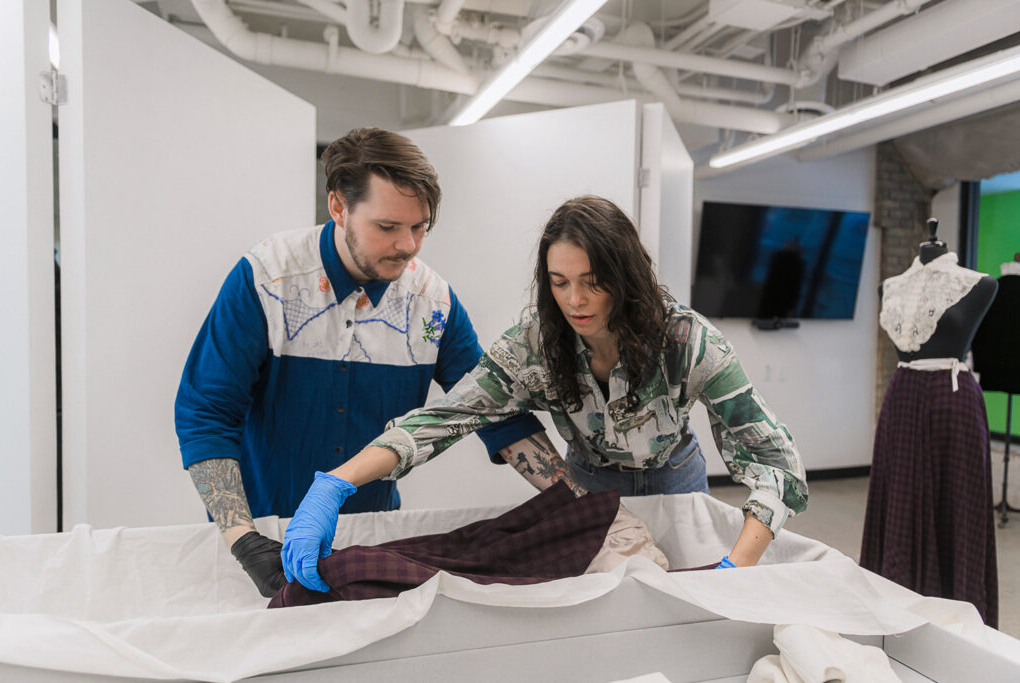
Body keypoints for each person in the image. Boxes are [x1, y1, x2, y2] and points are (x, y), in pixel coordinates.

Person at [281, 195, 809, 593]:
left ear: (626, 278)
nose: (574, 300)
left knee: (681, 601)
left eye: (592, 281)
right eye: (559, 282)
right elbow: (445, 417)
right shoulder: (536, 344)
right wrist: (335, 484)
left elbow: (776, 463)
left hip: (677, 477)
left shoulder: (687, 342)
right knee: (599, 607)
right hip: (588, 486)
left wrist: (734, 568)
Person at [175, 128, 547, 597]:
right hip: (260, 538)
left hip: (372, 536)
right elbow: (205, 413)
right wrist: (243, 540)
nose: (408, 246)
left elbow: (494, 410)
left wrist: (584, 507)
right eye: (388, 227)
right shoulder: (267, 279)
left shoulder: (432, 304)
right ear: (338, 207)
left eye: (420, 227)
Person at [862, 219, 999, 625]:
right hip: (902, 398)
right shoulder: (890, 286)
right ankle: (895, 611)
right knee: (898, 498)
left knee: (959, 503)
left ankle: (959, 617)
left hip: (952, 398)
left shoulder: (979, 284)